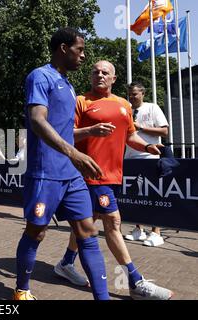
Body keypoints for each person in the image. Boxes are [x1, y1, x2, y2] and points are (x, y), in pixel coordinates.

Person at [55, 60, 173, 300]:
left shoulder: (123, 105)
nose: (99, 75)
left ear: (113, 78)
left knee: (88, 221)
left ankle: (66, 263)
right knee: (113, 222)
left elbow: (130, 135)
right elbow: (65, 134)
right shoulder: (81, 101)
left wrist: (148, 146)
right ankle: (135, 281)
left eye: (105, 72)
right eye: (95, 71)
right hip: (89, 174)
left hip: (113, 175)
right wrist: (90, 131)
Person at [14, 28, 109, 301]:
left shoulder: (68, 85)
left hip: (71, 175)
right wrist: (75, 154)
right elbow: (38, 120)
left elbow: (62, 131)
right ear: (63, 48)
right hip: (45, 174)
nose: (83, 56)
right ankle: (22, 290)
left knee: (88, 232)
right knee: (37, 232)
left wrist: (89, 132)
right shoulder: (40, 76)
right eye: (79, 50)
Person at [124, 82, 169, 247]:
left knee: (152, 195)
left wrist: (140, 127)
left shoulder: (152, 108)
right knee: (135, 195)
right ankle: (138, 229)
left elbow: (165, 131)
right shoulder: (126, 109)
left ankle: (156, 233)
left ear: (142, 93)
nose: (131, 97)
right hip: (130, 157)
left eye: (134, 93)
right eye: (129, 94)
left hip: (149, 157)